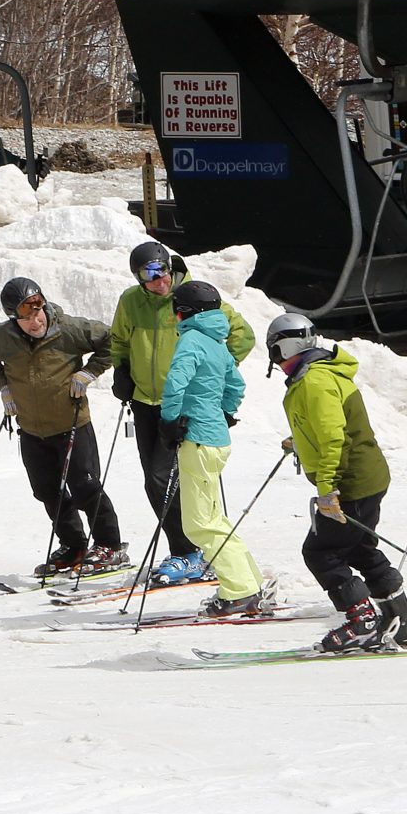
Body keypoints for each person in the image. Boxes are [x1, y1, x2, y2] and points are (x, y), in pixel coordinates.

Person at [266, 313, 407, 652]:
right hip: (367, 476)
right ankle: (401, 620)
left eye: (276, 353)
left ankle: (361, 620)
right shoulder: (322, 373)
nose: (276, 362)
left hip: (350, 482)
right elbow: (329, 427)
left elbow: (334, 436)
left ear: (287, 347)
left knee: (321, 552)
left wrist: (327, 488)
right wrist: (301, 441)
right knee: (359, 548)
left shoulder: (313, 381)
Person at [110, 241, 255, 586]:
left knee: (173, 478)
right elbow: (119, 340)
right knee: (154, 480)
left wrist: (216, 371)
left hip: (186, 408)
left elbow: (243, 335)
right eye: (149, 278)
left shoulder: (192, 299)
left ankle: (190, 550)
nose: (159, 283)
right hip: (146, 402)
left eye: (162, 274)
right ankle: (192, 548)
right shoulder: (131, 302)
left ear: (170, 268)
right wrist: (122, 370)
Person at [0, 276, 126, 576]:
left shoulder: (68, 330)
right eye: (25, 316)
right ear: (12, 317)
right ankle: (74, 546)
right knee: (47, 491)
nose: (34, 320)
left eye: (37, 310)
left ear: (43, 303)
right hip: (31, 429)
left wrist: (89, 372)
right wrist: (4, 386)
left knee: (85, 487)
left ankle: (110, 546)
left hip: (71, 424)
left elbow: (112, 340)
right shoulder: (0, 338)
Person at [158, 280, 269, 618]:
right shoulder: (218, 343)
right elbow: (236, 385)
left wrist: (169, 420)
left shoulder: (192, 339)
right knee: (213, 518)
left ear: (184, 312)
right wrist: (223, 412)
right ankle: (248, 582)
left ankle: (239, 590)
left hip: (197, 440)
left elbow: (176, 381)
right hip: (215, 440)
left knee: (198, 524)